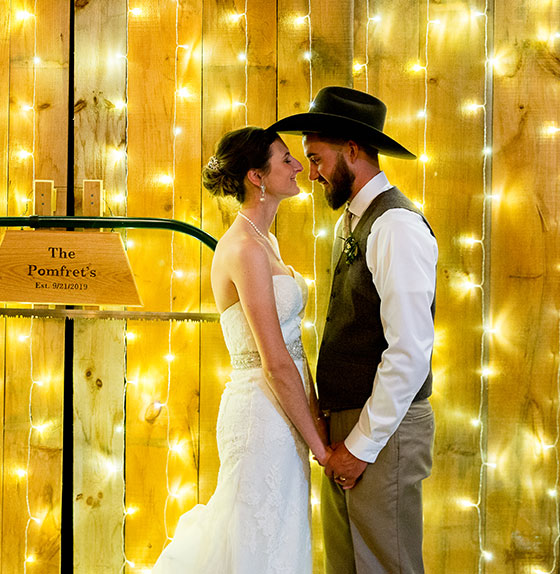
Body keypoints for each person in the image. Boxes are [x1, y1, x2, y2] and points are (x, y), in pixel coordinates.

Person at [268, 86, 437, 574]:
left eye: (317, 158)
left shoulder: (395, 226)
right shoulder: (353, 223)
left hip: (385, 429)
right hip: (352, 423)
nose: (313, 172)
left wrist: (360, 446)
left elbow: (409, 351)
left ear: (353, 151)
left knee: (387, 565)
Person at [149, 126, 331, 574]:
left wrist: (316, 421)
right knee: (256, 542)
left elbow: (295, 348)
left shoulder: (266, 240)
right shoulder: (245, 248)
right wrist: (322, 450)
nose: (296, 167)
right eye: (285, 159)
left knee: (280, 538)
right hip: (260, 416)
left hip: (284, 411)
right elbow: (274, 361)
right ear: (257, 176)